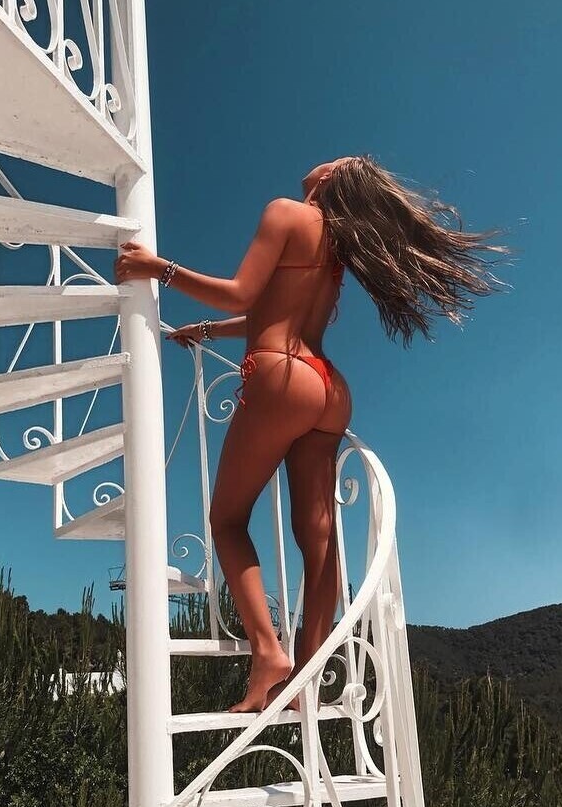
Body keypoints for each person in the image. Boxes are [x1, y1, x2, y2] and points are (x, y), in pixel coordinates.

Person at [114, 155, 506, 712]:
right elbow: (270, 312)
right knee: (318, 543)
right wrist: (204, 331)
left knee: (227, 521)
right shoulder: (339, 248)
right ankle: (306, 675)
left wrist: (158, 269)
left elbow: (242, 294)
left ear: (330, 178)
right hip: (328, 386)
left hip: (280, 374)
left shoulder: (288, 212)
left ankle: (267, 652)